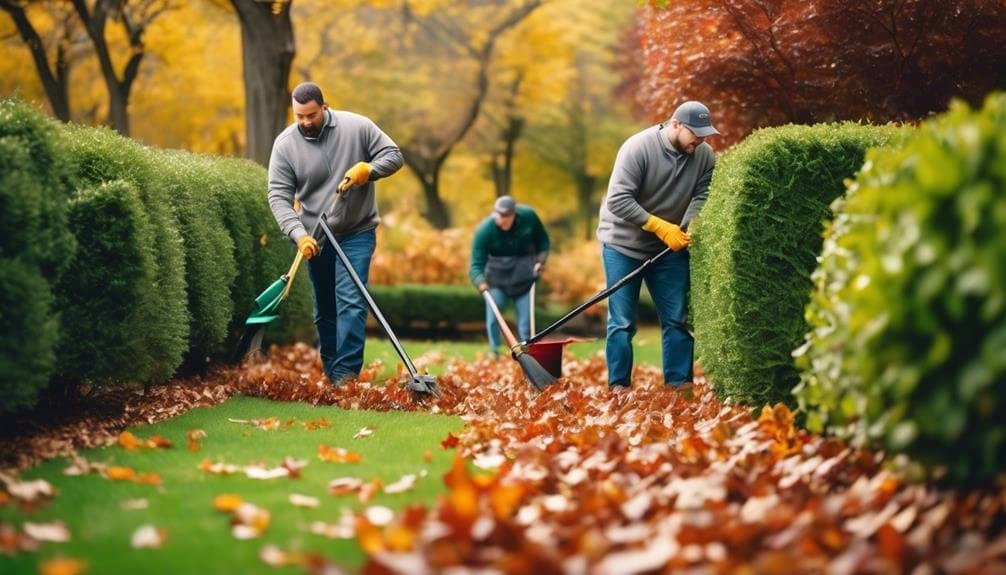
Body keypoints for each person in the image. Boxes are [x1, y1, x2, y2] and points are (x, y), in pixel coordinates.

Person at [267, 82, 404, 386]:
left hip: (357, 230)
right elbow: (278, 196)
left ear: (324, 107)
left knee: (351, 301)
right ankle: (333, 371)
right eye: (299, 116)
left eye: (311, 115)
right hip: (315, 237)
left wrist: (369, 169)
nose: (305, 122)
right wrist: (298, 234)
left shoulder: (358, 127)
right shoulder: (285, 145)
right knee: (326, 308)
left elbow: (394, 155)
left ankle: (346, 376)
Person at [596, 100, 718, 389]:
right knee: (623, 322)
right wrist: (658, 226)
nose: (700, 140)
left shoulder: (704, 155)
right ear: (675, 124)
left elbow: (702, 194)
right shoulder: (637, 148)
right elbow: (618, 200)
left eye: (704, 134)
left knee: (677, 319)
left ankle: (680, 387)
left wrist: (688, 225)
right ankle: (619, 388)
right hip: (622, 245)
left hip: (669, 248)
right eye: (695, 133)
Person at [469, 195, 550, 357]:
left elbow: (543, 241)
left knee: (526, 322)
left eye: (507, 216)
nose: (502, 220)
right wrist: (480, 282)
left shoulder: (529, 216)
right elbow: (475, 264)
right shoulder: (484, 230)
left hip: (524, 277)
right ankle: (495, 351)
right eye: (499, 216)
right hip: (497, 279)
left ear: (514, 214)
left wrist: (541, 260)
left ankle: (526, 354)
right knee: (494, 316)